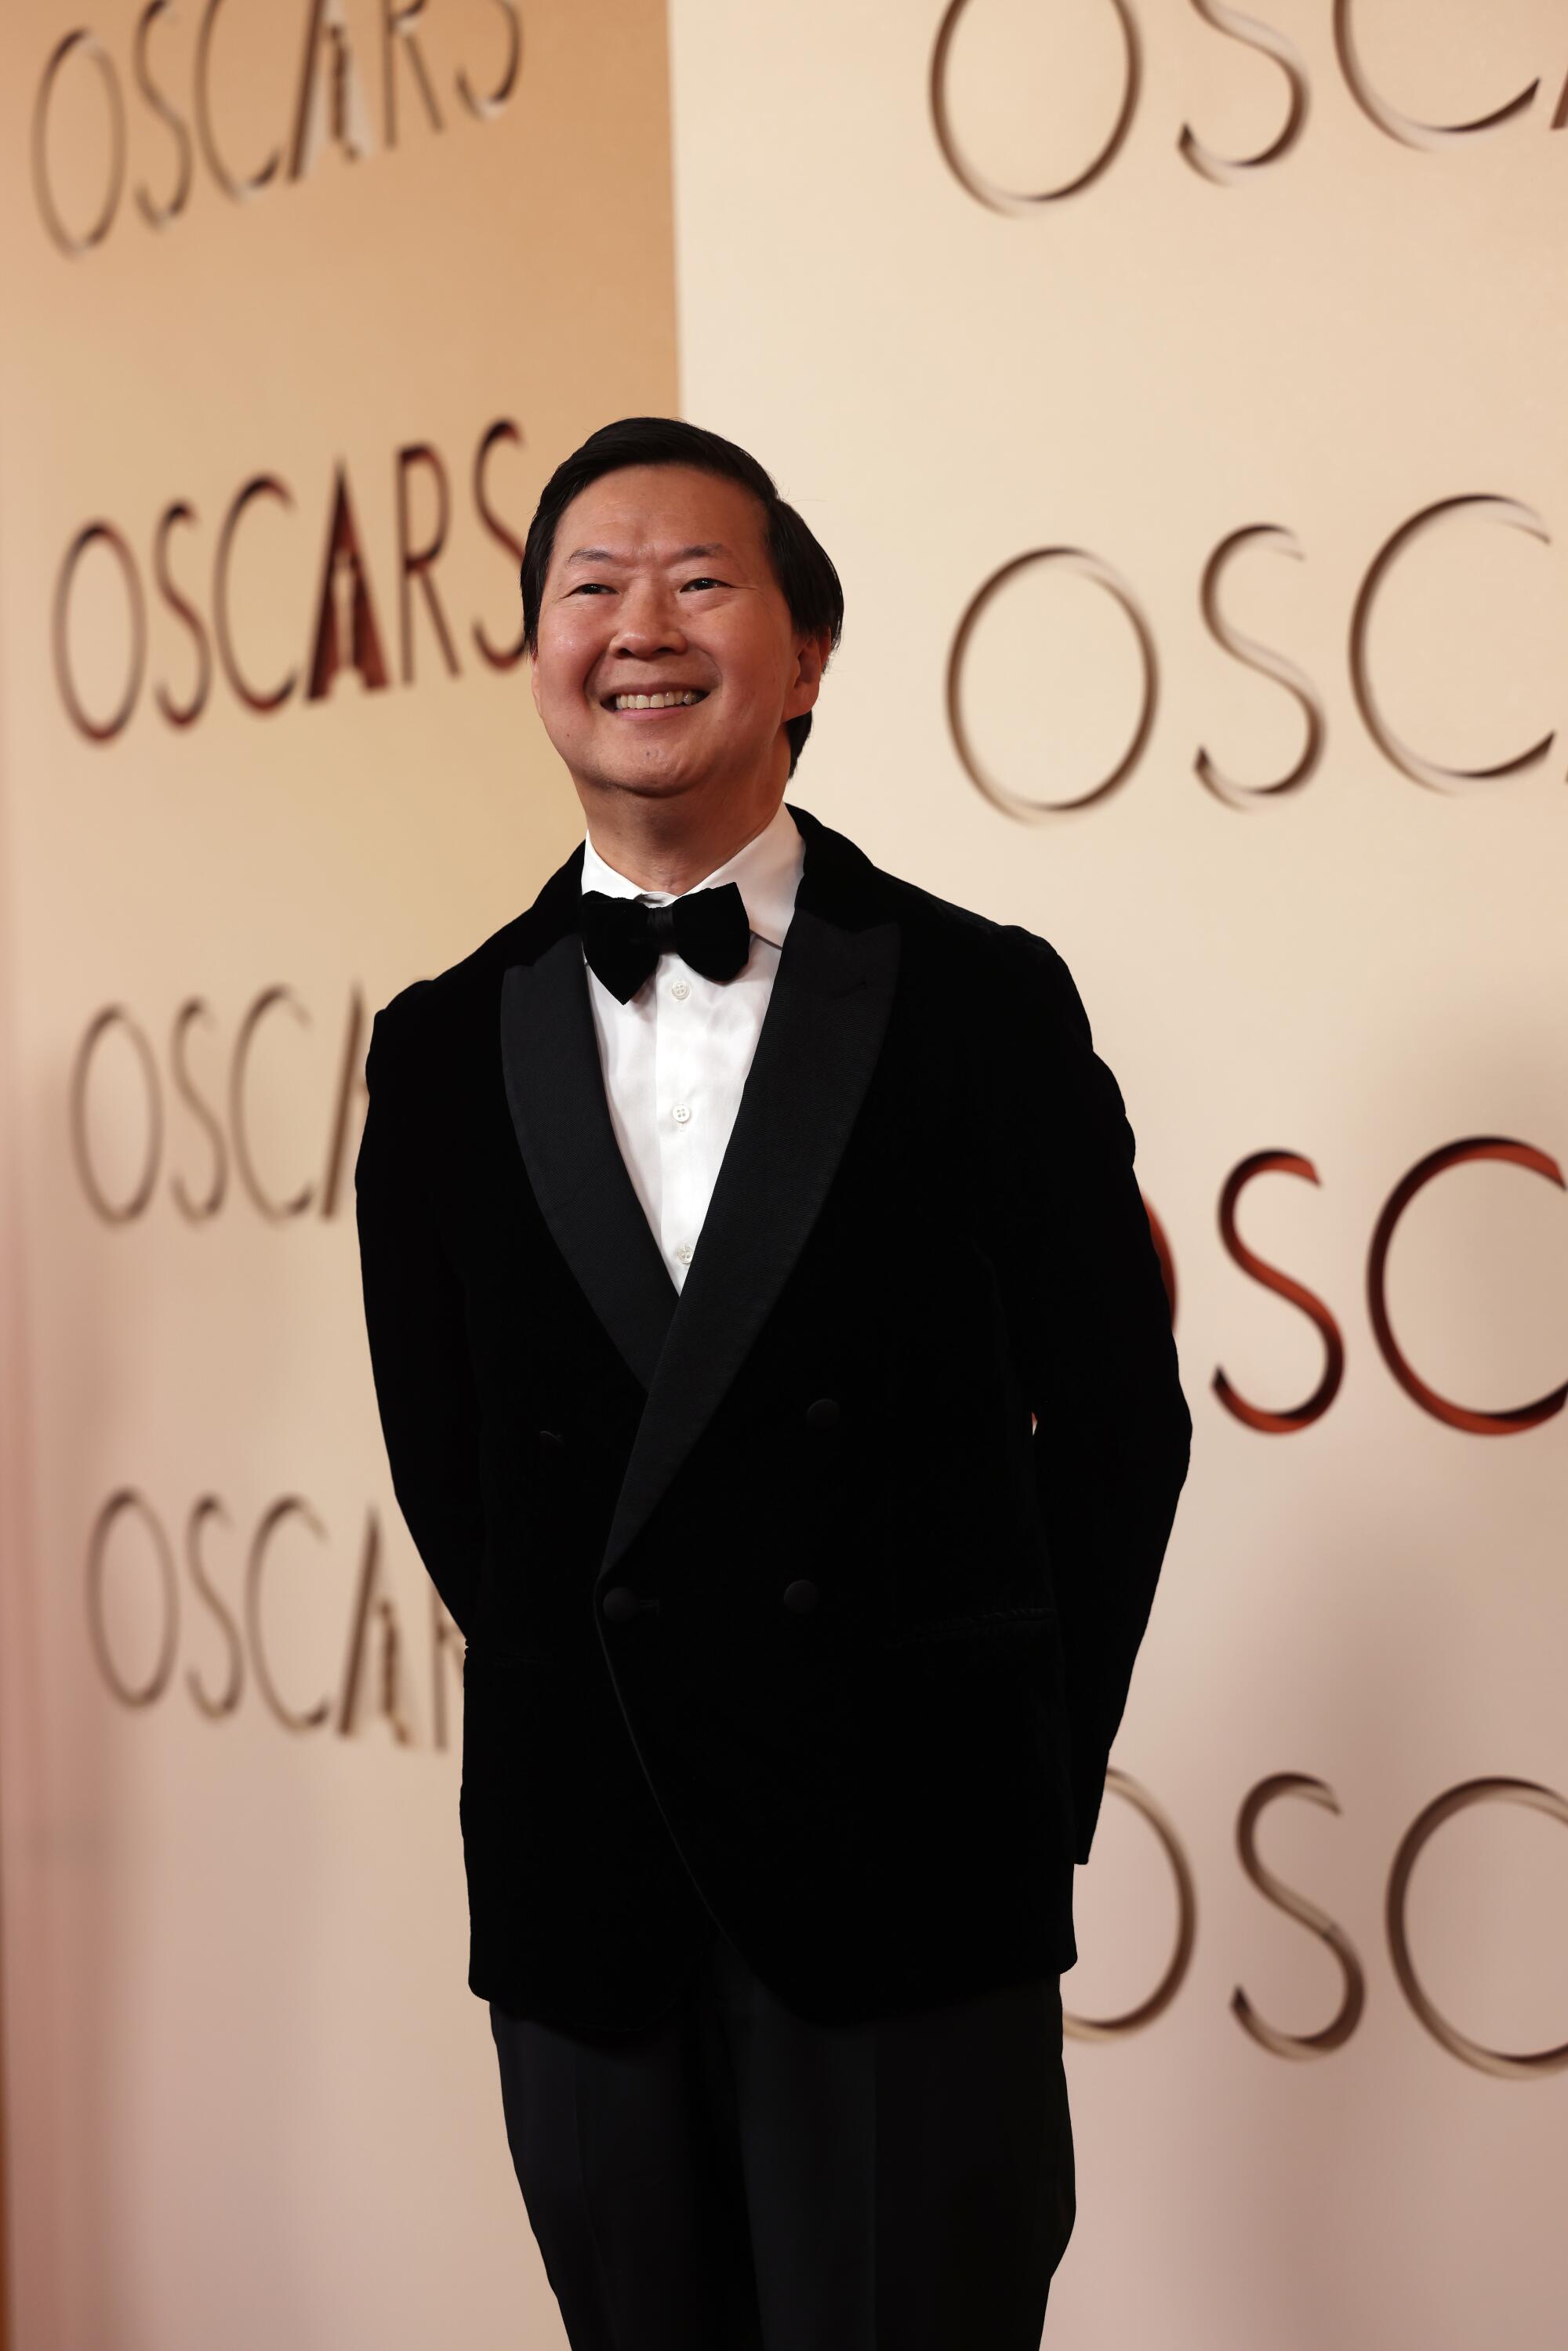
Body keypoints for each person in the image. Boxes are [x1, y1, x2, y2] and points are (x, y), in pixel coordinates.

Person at [354, 415, 1192, 2349]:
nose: (639, 624)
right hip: (589, 1906)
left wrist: (1014, 1794)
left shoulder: (985, 1000)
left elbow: (1119, 1436)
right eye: (588, 585)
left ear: (806, 659)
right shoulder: (437, 1049)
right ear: (534, 658)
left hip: (910, 1895)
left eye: (700, 580)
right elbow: (458, 1482)